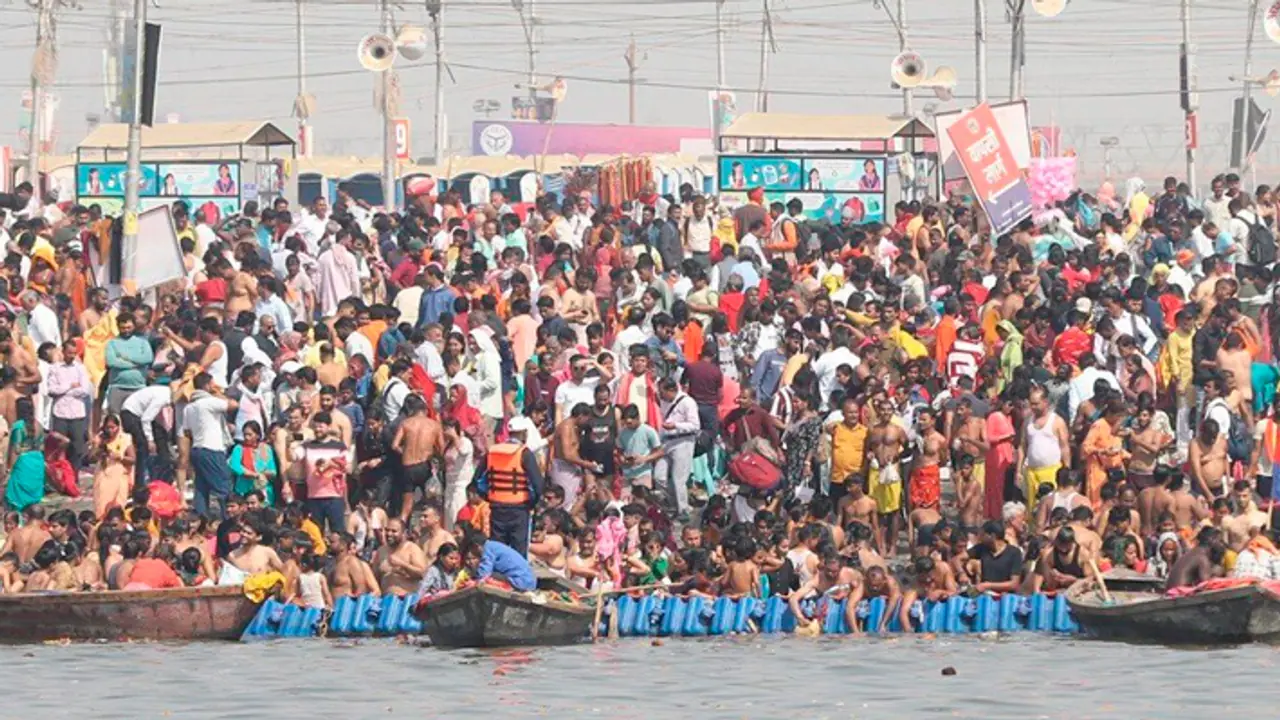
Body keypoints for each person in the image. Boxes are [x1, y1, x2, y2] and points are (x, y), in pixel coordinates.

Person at [484, 429, 544, 557]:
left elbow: (477, 482)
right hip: (519, 509)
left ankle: (498, 576)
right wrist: (532, 503)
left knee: (498, 550)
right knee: (519, 552)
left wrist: (490, 497)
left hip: (496, 508)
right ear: (524, 434)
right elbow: (538, 485)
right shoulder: (525, 453)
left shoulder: (492, 451)